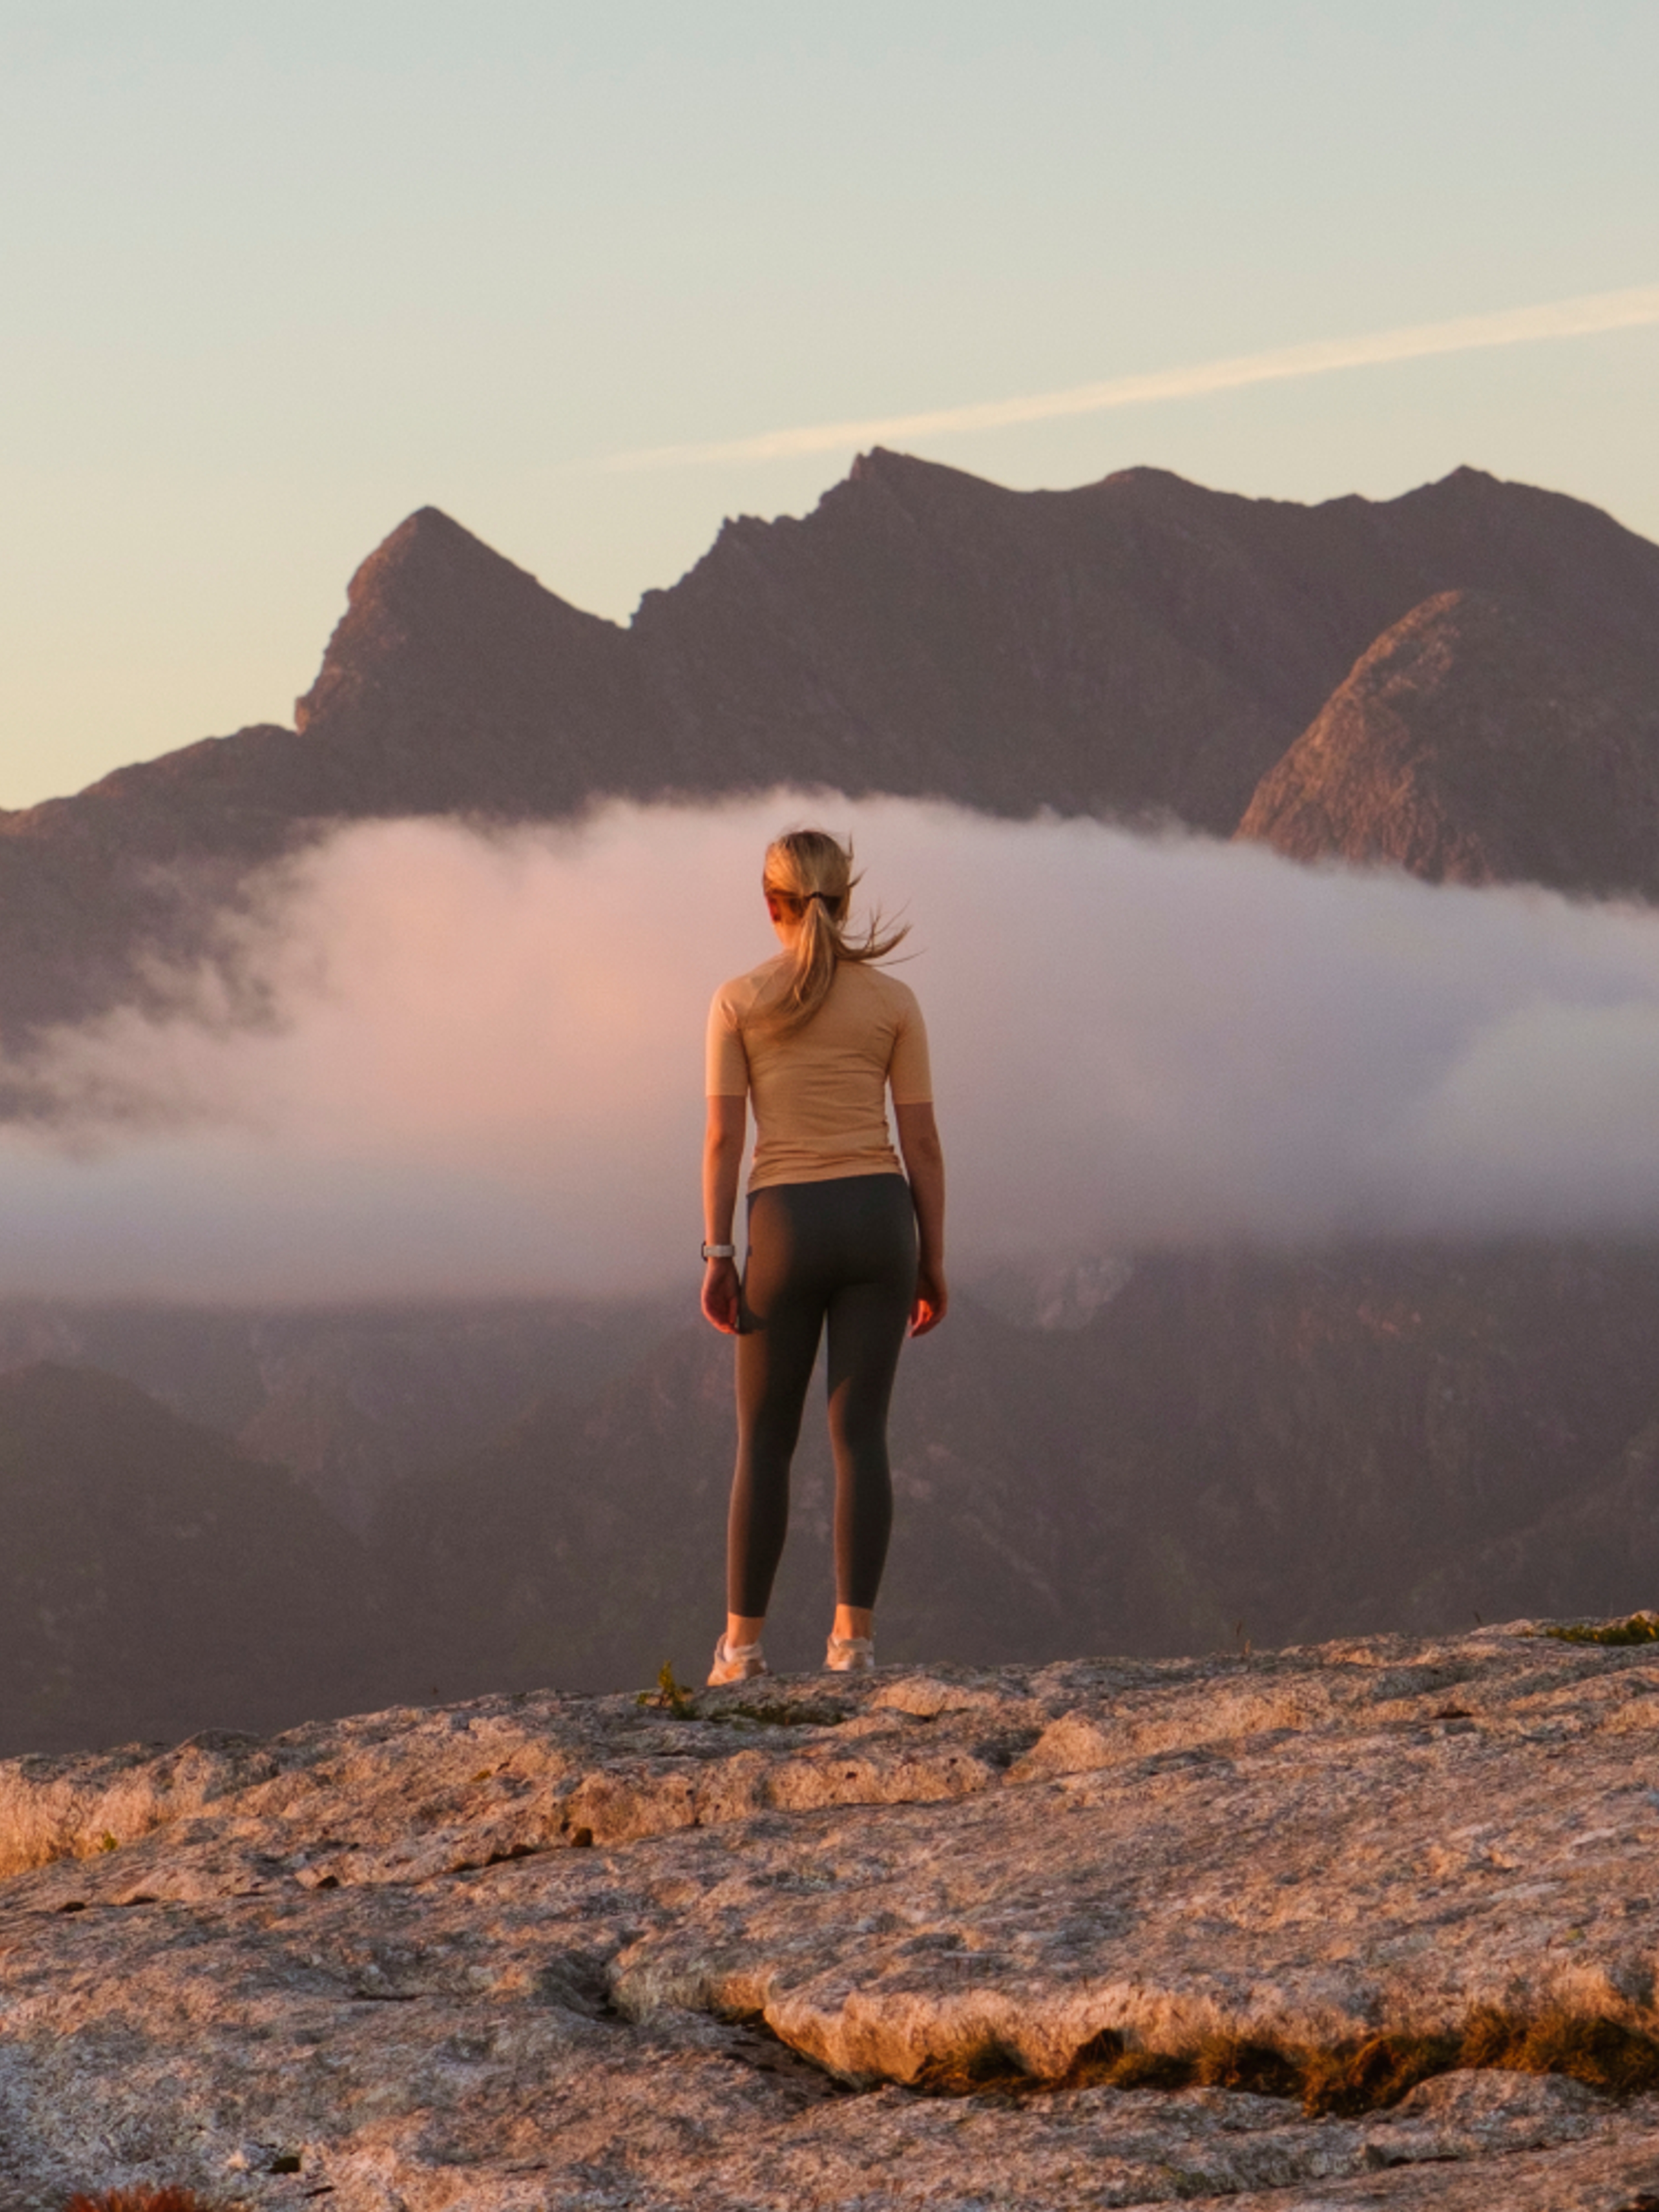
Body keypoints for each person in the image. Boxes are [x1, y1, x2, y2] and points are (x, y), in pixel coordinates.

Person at [701, 828, 947, 1684]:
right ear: (844, 902)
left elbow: (725, 1137)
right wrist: (932, 1257)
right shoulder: (893, 1002)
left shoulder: (739, 1000)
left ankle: (741, 1650)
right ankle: (854, 1644)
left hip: (785, 1225)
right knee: (860, 1436)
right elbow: (922, 1139)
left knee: (764, 1441)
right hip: (881, 1217)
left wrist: (718, 1252)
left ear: (772, 905)